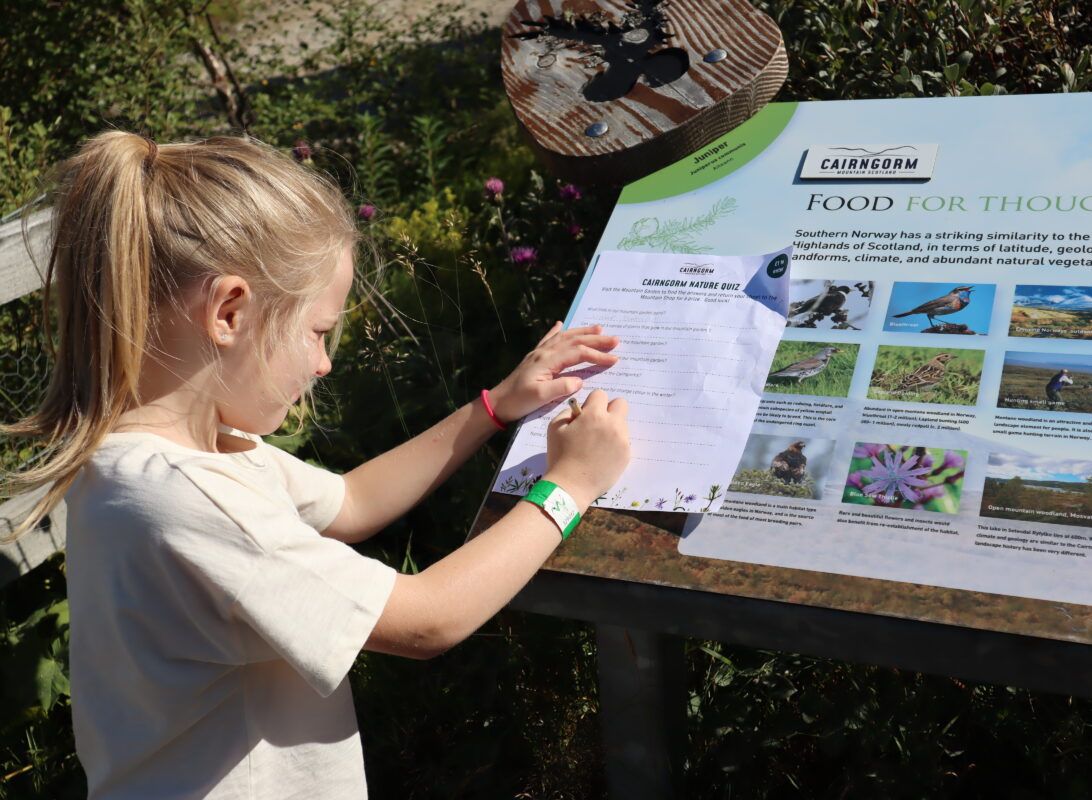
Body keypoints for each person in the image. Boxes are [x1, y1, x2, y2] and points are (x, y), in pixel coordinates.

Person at [0, 132, 631, 799]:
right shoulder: (186, 499)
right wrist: (571, 485)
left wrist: (495, 407)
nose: (325, 363)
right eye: (318, 332)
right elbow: (426, 620)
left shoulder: (169, 454)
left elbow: (351, 501)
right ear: (229, 312)